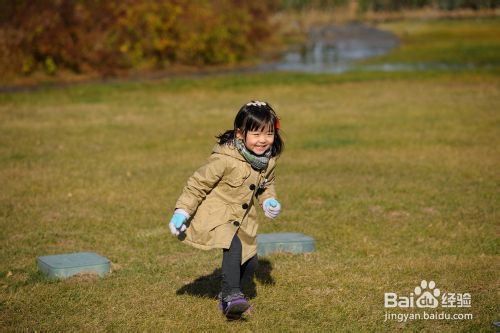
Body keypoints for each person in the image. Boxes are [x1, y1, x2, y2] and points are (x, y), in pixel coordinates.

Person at [168, 100, 284, 320]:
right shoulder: (224, 159)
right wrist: (182, 211)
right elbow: (197, 184)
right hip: (217, 215)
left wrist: (269, 201)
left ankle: (228, 295)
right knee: (233, 247)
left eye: (269, 134)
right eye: (256, 134)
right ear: (240, 134)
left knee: (251, 264)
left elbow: (266, 185)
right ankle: (232, 296)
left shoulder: (267, 161)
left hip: (243, 219)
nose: (263, 140)